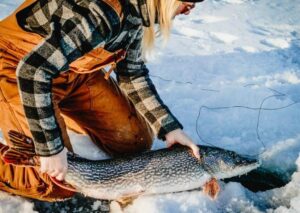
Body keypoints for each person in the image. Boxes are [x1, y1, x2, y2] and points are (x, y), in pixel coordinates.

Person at [0, 0, 204, 201]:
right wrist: (50, 149)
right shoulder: (101, 12)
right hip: (15, 68)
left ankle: (52, 111)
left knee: (134, 141)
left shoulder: (135, 13)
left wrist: (168, 127)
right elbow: (32, 71)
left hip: (73, 72)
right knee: (54, 183)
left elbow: (131, 74)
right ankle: (42, 114)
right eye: (191, 0)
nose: (191, 8)